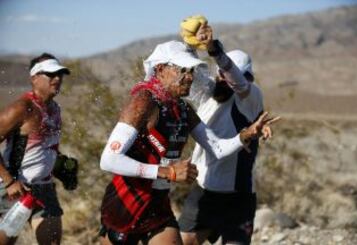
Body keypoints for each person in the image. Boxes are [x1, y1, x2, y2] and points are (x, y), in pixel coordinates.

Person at [98, 40, 277, 245]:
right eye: (183, 70)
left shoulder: (182, 109)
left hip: (159, 203)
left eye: (192, 70)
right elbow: (109, 159)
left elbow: (217, 148)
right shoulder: (143, 101)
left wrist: (243, 136)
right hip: (127, 201)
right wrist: (167, 172)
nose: (190, 77)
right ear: (161, 69)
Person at [178, 18, 278, 245]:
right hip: (204, 190)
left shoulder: (251, 96)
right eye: (220, 75)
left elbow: (237, 81)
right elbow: (188, 68)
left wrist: (214, 49)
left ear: (248, 78)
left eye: (228, 76)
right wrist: (191, 44)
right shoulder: (208, 93)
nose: (223, 80)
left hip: (239, 196)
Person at [0, 53, 70, 245]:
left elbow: (45, 147)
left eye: (60, 74)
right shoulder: (21, 108)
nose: (57, 79)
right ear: (34, 78)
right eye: (50, 74)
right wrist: (9, 182)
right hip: (15, 189)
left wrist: (61, 165)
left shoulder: (55, 109)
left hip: (44, 187)